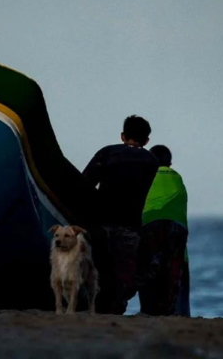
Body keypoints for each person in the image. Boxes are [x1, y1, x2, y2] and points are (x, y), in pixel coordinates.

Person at [82, 115, 159, 315]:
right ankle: (115, 311)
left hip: (100, 225)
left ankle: (96, 310)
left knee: (98, 272)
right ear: (147, 141)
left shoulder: (107, 153)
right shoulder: (152, 161)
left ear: (123, 136)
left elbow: (85, 183)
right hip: (129, 227)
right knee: (123, 277)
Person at [136, 145, 189, 316]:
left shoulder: (144, 176)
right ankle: (179, 313)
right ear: (170, 164)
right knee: (176, 274)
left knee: (148, 272)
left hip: (149, 228)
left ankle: (147, 311)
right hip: (177, 232)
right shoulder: (178, 179)